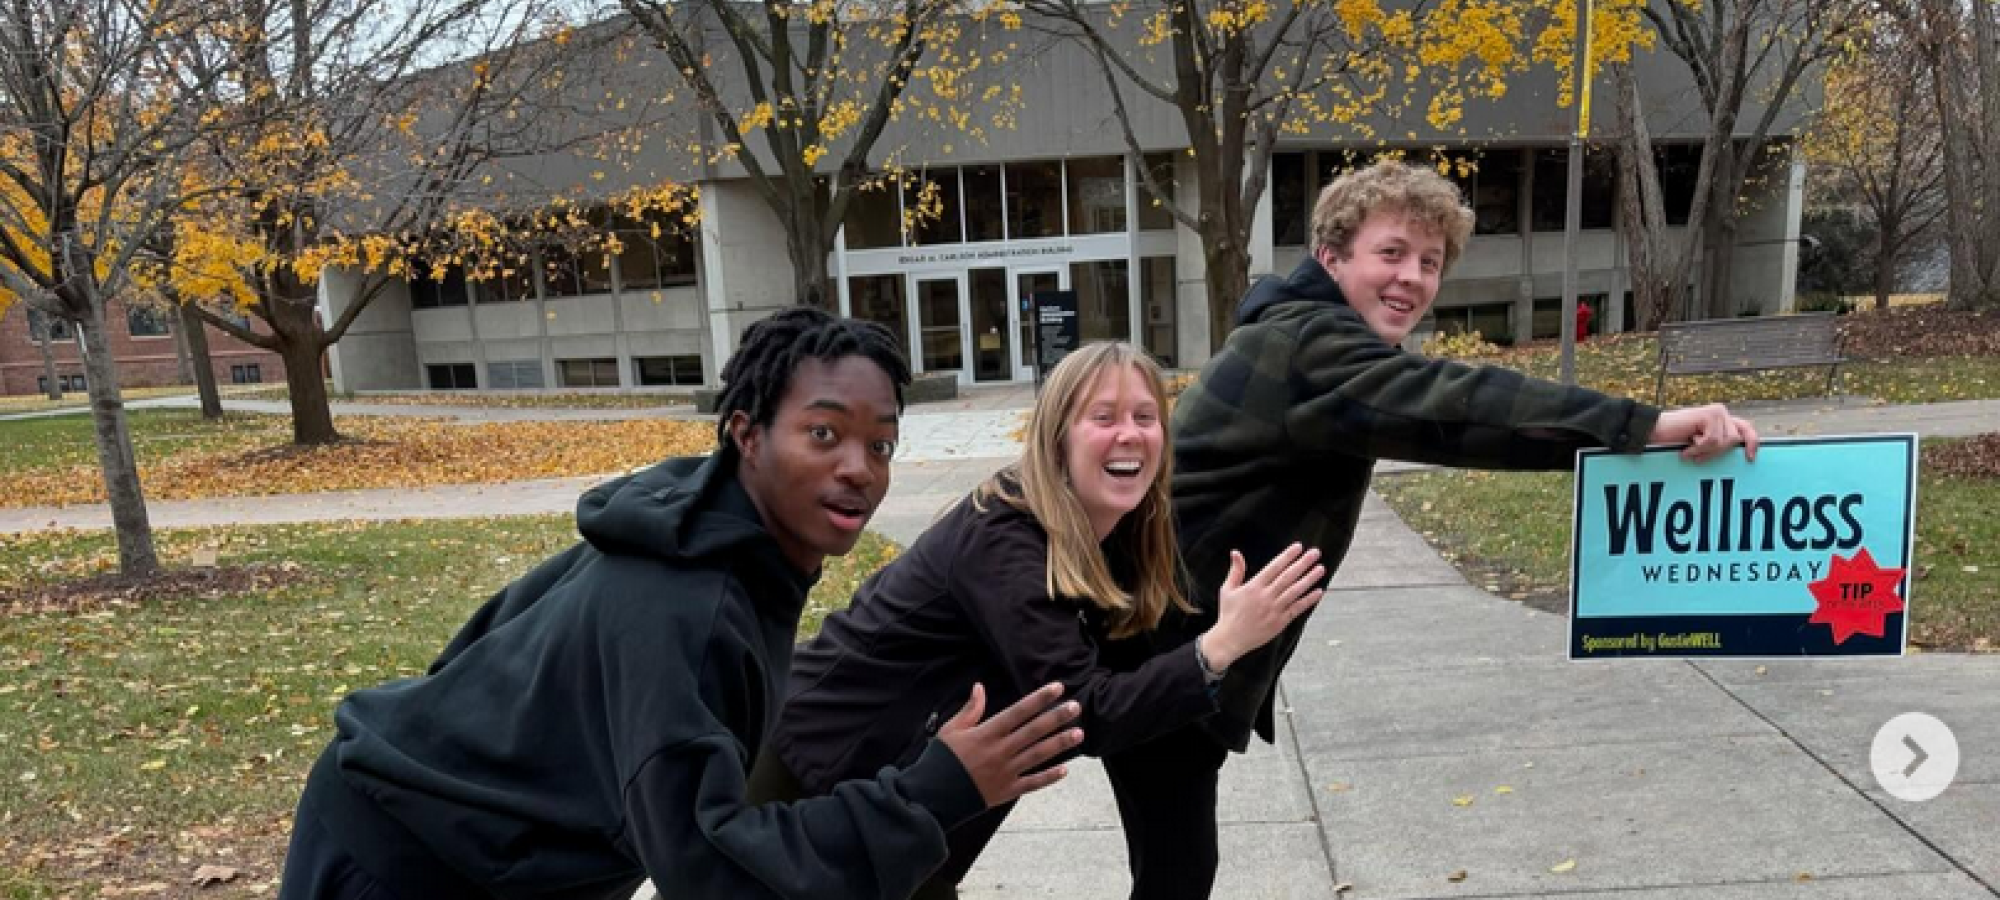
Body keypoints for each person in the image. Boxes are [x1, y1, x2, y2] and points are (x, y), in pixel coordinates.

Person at [1104, 159, 1763, 898]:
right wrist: (1645, 425)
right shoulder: (1305, 347)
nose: (1412, 278)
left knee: (1167, 867)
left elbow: (1442, 406)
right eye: (1391, 253)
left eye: (1430, 262)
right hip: (1155, 652)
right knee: (1169, 872)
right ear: (1331, 258)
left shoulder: (1305, 339)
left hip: (1160, 644)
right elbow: (1459, 408)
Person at [278, 307, 1085, 900]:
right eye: (824, 434)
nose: (860, 470)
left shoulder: (689, 528)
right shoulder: (687, 601)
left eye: (880, 445)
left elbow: (482, 641)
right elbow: (709, 873)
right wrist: (932, 791)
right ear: (746, 433)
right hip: (401, 863)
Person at [755, 341, 1327, 899]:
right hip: (813, 772)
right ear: (1058, 439)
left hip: (914, 807)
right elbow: (1082, 708)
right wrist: (1220, 646)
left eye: (1145, 416)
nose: (1129, 433)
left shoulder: (1120, 531)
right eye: (1102, 416)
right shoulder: (1006, 535)